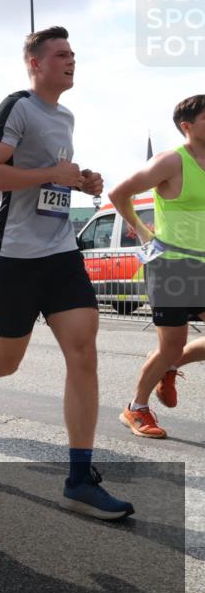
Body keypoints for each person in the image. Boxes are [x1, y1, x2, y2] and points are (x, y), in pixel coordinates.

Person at [0, 26, 133, 520]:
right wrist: (50, 175)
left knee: (83, 351)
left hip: (59, 253)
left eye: (74, 54)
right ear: (34, 63)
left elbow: (50, 183)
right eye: (60, 54)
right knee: (5, 360)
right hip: (13, 255)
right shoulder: (16, 105)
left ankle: (79, 477)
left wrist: (81, 181)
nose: (71, 60)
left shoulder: (66, 116)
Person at [107, 94, 205, 439]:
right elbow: (119, 193)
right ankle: (136, 408)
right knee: (170, 343)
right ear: (187, 126)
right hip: (171, 265)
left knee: (174, 351)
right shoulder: (171, 161)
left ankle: (172, 366)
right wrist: (144, 230)